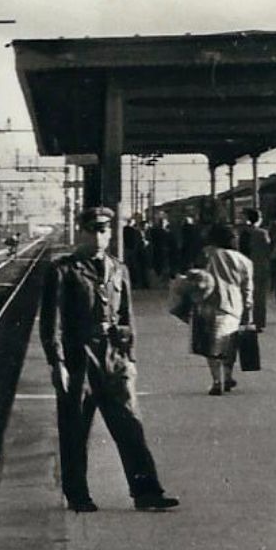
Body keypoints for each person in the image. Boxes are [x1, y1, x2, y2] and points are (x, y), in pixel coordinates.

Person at [40, 206, 179, 513]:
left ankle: (146, 492)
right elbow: (52, 321)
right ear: (81, 231)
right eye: (93, 229)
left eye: (104, 230)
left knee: (130, 423)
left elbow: (127, 315)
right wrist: (57, 362)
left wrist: (131, 358)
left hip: (113, 355)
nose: (99, 236)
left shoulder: (118, 269)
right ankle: (78, 495)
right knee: (75, 428)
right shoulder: (62, 270)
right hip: (79, 355)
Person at [191, 224, 254, 396]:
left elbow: (194, 275)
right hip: (233, 306)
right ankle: (228, 376)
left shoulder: (207, 254)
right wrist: (248, 309)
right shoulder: (244, 261)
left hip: (207, 303)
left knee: (211, 345)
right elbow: (247, 289)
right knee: (229, 343)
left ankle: (216, 381)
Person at [238, 208, 272, 332]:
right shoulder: (263, 233)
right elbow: (269, 250)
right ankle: (258, 323)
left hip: (244, 268)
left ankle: (244, 320)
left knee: (244, 294)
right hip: (260, 267)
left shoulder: (242, 233)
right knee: (259, 297)